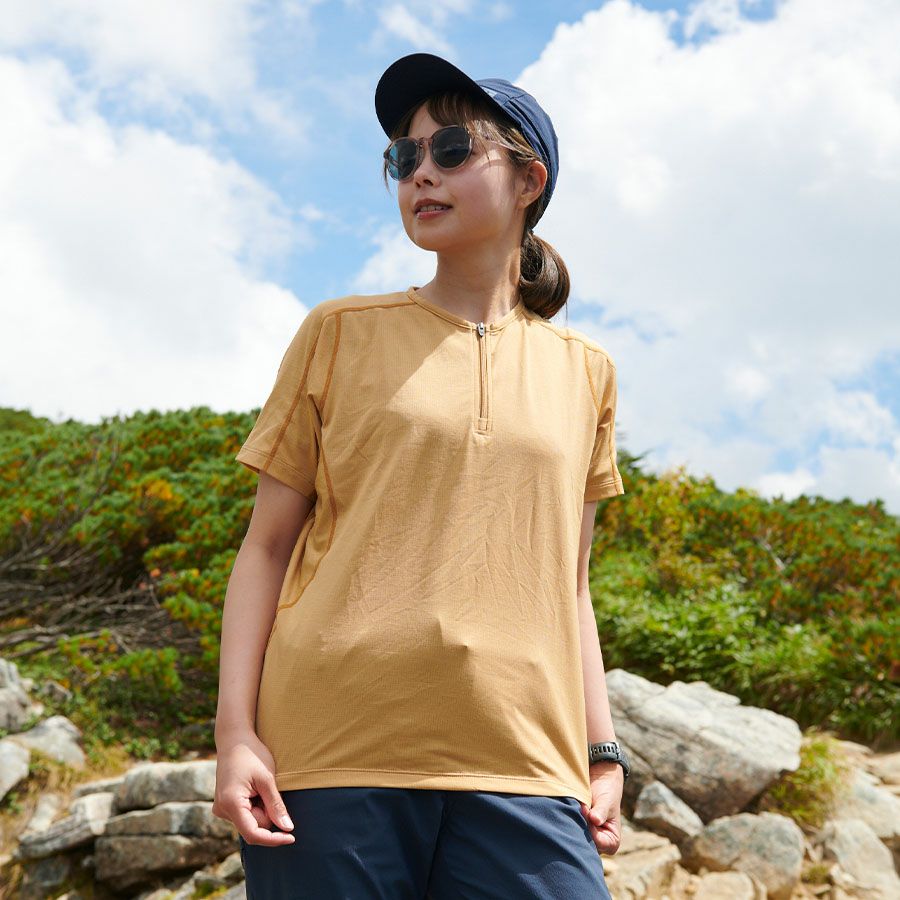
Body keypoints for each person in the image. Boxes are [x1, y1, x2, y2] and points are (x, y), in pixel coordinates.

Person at [212, 51, 628, 899]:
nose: (420, 174)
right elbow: (265, 549)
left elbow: (572, 583)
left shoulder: (588, 373)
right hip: (329, 758)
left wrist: (602, 752)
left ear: (529, 180)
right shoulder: (338, 333)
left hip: (528, 767)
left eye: (451, 149)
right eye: (403, 157)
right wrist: (235, 735)